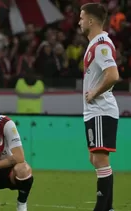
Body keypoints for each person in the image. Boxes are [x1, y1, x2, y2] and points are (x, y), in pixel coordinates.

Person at [79, 3, 120, 211]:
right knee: (95, 158)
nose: (79, 21)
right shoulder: (94, 43)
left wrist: (94, 93)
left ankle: (102, 208)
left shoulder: (101, 45)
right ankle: (109, 208)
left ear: (91, 21)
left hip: (101, 109)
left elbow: (113, 75)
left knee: (100, 159)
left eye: (81, 17)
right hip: (94, 112)